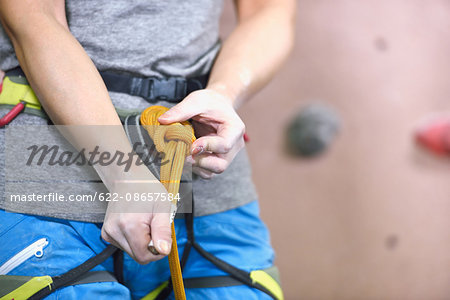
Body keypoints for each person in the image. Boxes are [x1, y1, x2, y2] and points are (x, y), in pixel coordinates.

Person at [0, 0, 295, 299]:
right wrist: (122, 171)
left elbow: (268, 11)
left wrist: (223, 93)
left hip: (206, 191)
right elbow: (34, 20)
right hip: (50, 183)